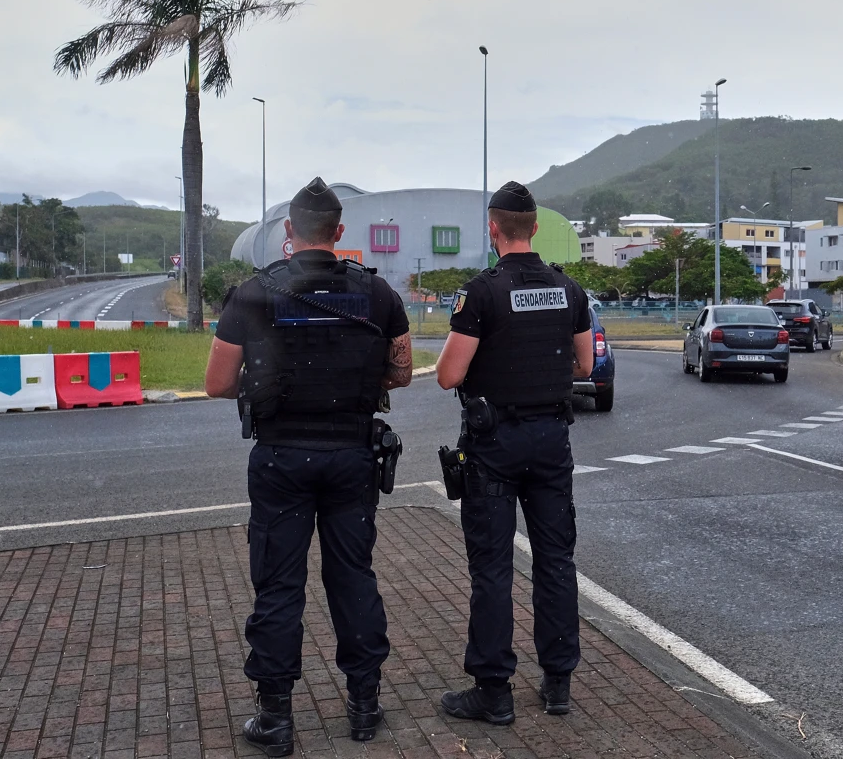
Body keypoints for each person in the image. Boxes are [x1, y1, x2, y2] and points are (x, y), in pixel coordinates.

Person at [204, 176, 414, 755]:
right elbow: (401, 372)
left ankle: (275, 720)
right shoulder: (378, 295)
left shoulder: (252, 293)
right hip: (352, 457)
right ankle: (364, 706)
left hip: (280, 459)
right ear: (339, 233)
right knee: (353, 578)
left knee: (278, 585)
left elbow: (217, 383)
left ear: (288, 234)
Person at [435, 180, 595, 725]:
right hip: (553, 441)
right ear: (534, 228)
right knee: (555, 562)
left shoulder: (480, 293)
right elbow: (585, 366)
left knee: (493, 569)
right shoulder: (568, 289)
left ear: (493, 229)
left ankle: (494, 692)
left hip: (495, 445)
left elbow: (449, 375)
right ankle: (558, 685)